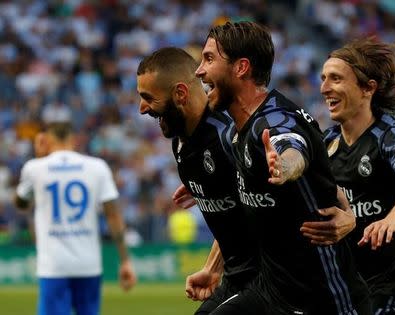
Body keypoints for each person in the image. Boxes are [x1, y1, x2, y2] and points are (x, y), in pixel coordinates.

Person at [195, 21, 370, 315]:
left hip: (326, 299)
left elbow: (291, 147)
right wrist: (213, 267)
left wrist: (284, 167)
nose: (200, 70)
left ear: (241, 68)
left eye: (209, 59)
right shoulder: (236, 131)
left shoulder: (274, 121)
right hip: (272, 291)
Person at [317, 37, 395, 314]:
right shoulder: (326, 144)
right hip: (354, 288)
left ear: (367, 88)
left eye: (335, 79)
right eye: (323, 78)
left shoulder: (391, 137)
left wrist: (391, 219)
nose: (324, 88)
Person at [137, 47, 259, 314]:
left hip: (271, 279)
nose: (142, 108)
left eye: (148, 98)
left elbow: (278, 205)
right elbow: (233, 214)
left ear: (180, 93)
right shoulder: (181, 145)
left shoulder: (230, 137)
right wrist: (212, 267)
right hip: (236, 277)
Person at [15, 122, 136, 315]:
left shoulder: (35, 168)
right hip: (88, 264)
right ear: (73, 140)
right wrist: (125, 260)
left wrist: (39, 158)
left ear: (47, 140)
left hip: (53, 265)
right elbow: (113, 215)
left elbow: (21, 203)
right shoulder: (97, 167)